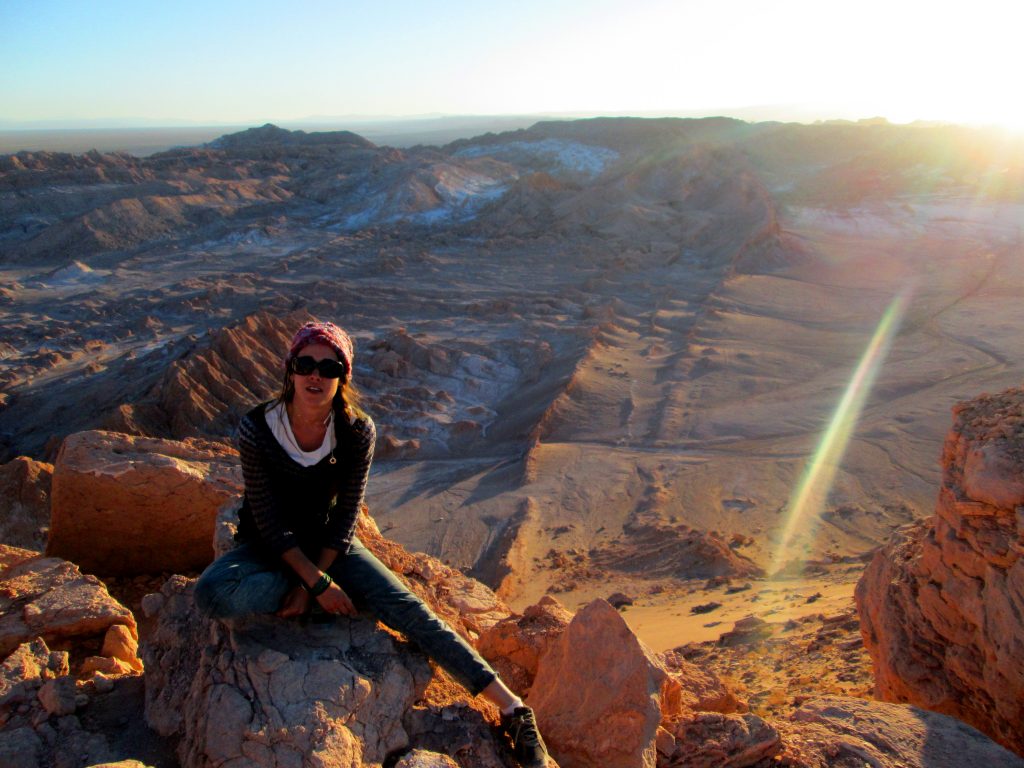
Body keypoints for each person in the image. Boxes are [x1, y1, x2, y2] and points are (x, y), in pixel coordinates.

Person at [194, 321, 548, 768]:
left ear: (344, 375)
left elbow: (344, 520)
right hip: (269, 545)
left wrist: (316, 580)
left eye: (329, 366)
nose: (315, 375)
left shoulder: (356, 431)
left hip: (329, 545)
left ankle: (513, 708)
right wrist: (315, 584)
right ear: (290, 369)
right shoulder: (257, 428)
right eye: (306, 364)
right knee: (212, 592)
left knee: (414, 612)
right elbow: (266, 517)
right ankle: (355, 601)